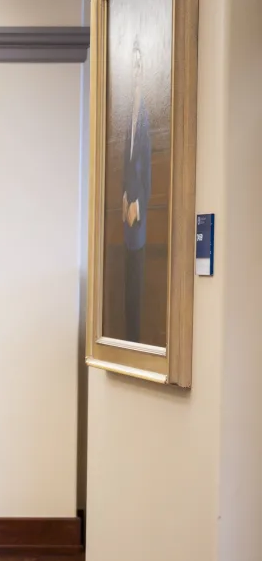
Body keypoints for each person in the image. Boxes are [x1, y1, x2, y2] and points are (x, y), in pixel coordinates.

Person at [122, 41, 151, 342]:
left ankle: (135, 339)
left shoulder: (146, 112)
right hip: (126, 212)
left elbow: (148, 167)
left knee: (137, 288)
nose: (136, 71)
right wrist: (123, 196)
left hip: (139, 216)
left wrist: (138, 204)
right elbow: (126, 159)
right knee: (127, 291)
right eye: (132, 66)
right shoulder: (128, 111)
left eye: (139, 66)